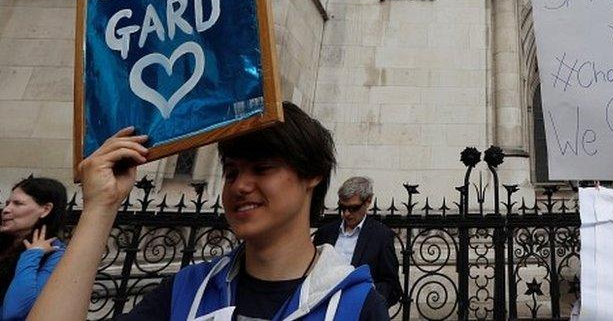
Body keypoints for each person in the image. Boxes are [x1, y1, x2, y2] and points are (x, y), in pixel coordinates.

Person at [28, 102, 390, 321]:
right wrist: (99, 207)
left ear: (311, 175)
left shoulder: (355, 304)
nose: (240, 186)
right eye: (231, 172)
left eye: (262, 168)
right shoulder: (188, 290)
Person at [314, 177, 402, 308]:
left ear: (368, 201)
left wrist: (368, 292)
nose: (346, 214)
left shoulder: (381, 236)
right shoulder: (325, 232)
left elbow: (392, 288)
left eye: (353, 208)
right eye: (342, 207)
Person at [1, 177, 67, 321]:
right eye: (7, 203)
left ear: (45, 209)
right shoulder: (6, 243)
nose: (6, 210)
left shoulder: (55, 253)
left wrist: (32, 255)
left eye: (17, 204)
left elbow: (13, 312)